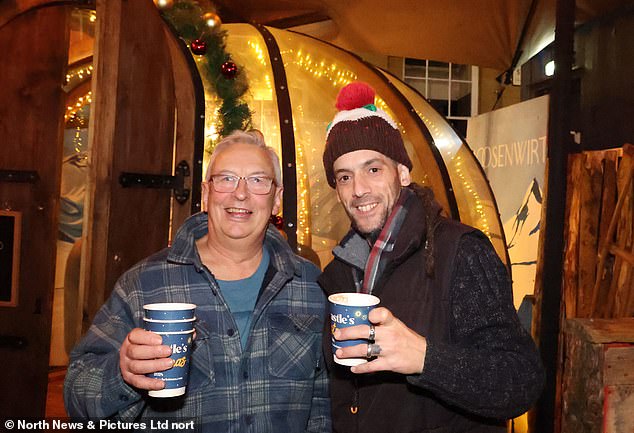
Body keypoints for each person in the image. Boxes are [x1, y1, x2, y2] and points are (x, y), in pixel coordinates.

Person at [64, 130, 331, 432]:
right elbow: (77, 393)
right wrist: (122, 372)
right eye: (226, 179)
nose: (240, 193)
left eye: (258, 180)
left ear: (277, 199)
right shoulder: (146, 283)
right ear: (205, 194)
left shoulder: (311, 285)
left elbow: (323, 397)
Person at [319, 82, 544, 433]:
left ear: (403, 173)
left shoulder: (460, 252)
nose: (358, 189)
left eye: (373, 169)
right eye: (344, 177)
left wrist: (425, 358)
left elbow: (520, 380)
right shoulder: (339, 273)